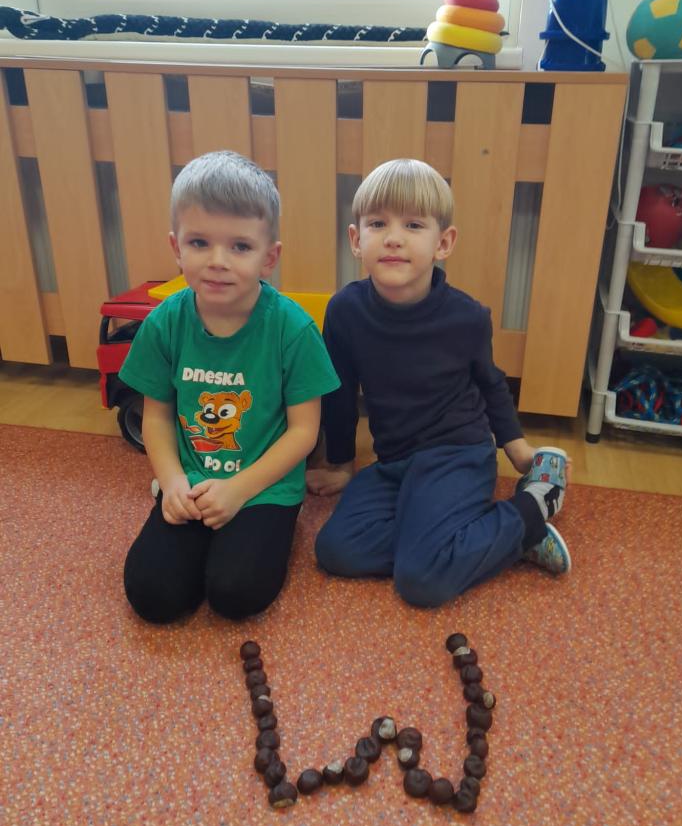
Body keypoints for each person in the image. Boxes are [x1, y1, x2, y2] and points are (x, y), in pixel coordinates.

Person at [307, 158, 571, 609]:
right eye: (377, 224)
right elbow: (339, 392)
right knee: (335, 550)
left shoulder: (467, 316)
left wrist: (518, 450)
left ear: (443, 243)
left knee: (421, 582)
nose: (393, 237)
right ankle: (476, 540)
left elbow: (491, 384)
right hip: (395, 461)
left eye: (413, 225)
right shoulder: (345, 310)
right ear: (356, 240)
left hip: (457, 453)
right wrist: (342, 464)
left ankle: (530, 511)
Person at [120, 151, 339, 623]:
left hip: (264, 488)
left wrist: (238, 490)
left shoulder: (293, 329)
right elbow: (156, 415)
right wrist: (172, 483)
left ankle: (271, 529)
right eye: (200, 242)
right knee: (152, 595)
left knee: (236, 594)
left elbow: (304, 432)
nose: (217, 261)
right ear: (177, 247)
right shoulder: (164, 323)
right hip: (191, 482)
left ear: (269, 257)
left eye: (240, 246)